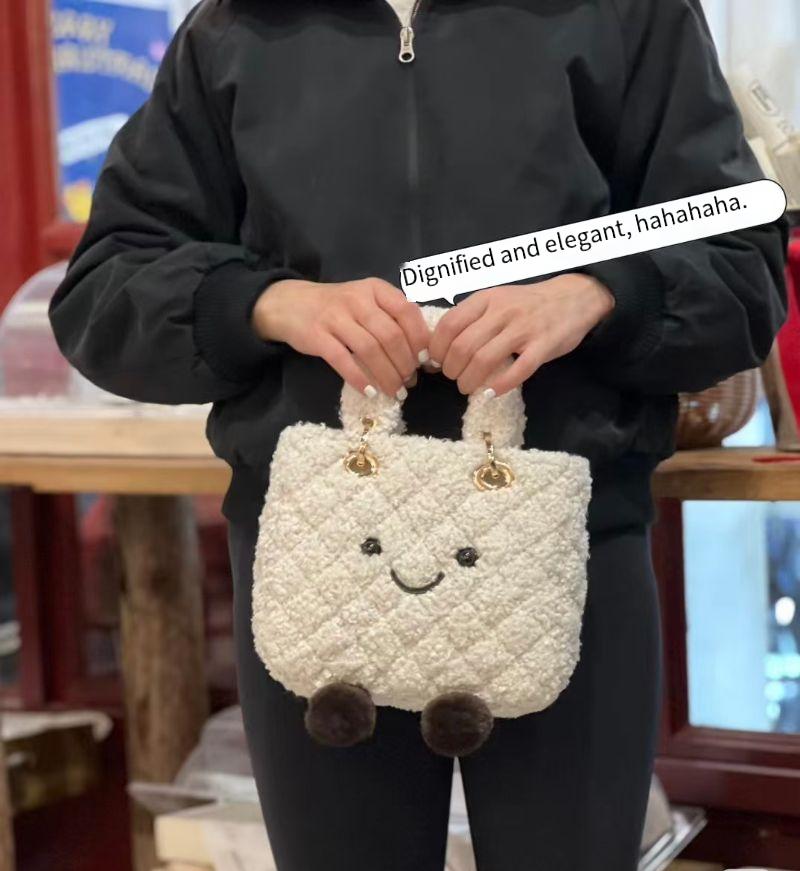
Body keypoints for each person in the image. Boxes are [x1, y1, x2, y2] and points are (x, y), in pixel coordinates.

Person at [48, 0, 788, 868]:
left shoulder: (628, 13)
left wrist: (596, 295)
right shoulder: (239, 28)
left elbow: (743, 266)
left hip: (560, 546)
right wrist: (267, 303)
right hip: (320, 558)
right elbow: (103, 289)